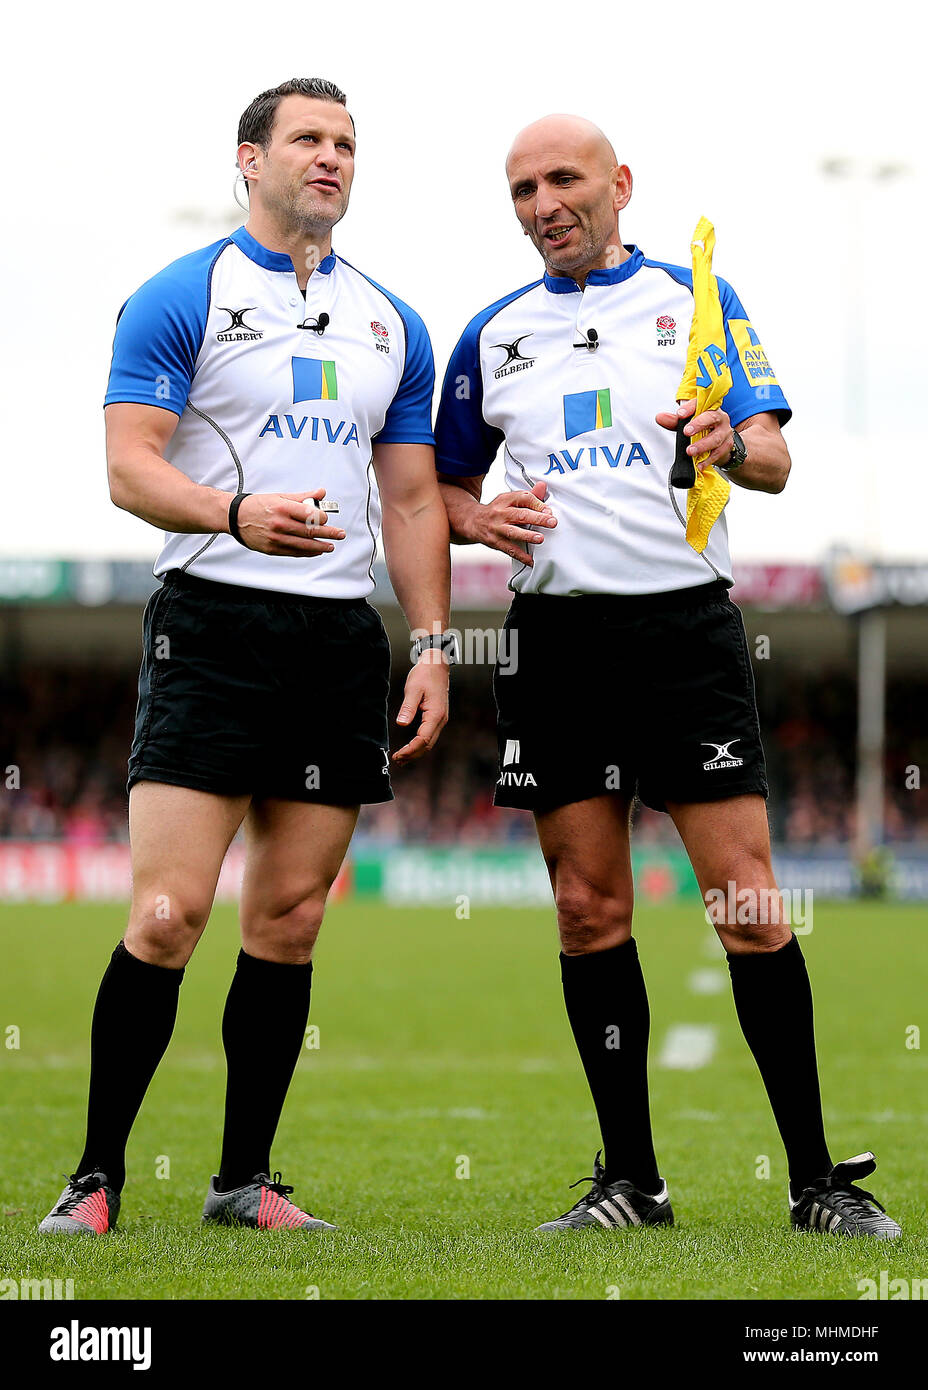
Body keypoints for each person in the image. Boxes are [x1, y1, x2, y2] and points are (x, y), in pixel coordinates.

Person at [434, 113, 900, 1238]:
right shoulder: (489, 335)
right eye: (521, 189)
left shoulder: (699, 301)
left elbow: (776, 456)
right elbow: (436, 489)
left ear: (620, 184)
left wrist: (725, 445)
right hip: (553, 646)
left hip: (683, 633)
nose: (543, 203)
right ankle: (630, 1182)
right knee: (588, 909)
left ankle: (815, 1182)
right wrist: (473, 514)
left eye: (563, 179)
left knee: (745, 900)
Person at [40, 76, 454, 1236]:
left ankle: (242, 1181)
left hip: (335, 641)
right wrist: (233, 513)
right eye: (308, 140)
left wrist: (429, 644)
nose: (330, 159)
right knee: (169, 913)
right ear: (250, 158)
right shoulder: (183, 295)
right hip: (213, 619)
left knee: (288, 922)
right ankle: (93, 1177)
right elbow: (130, 467)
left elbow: (413, 500)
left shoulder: (393, 322)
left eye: (347, 144)